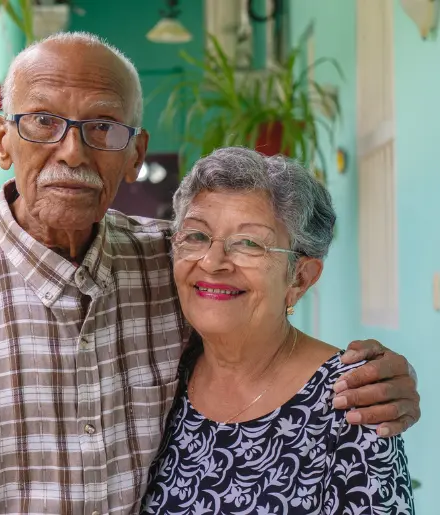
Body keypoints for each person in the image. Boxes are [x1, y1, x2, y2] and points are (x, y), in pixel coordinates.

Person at [0, 32, 418, 515]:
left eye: (102, 127)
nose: (72, 151)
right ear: (1, 140)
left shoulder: (171, 262)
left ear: (135, 154)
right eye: (42, 120)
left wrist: (386, 377)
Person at [141, 147, 414, 514]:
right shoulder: (163, 375)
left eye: (249, 243)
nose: (212, 262)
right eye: (196, 236)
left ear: (300, 278)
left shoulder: (352, 400)